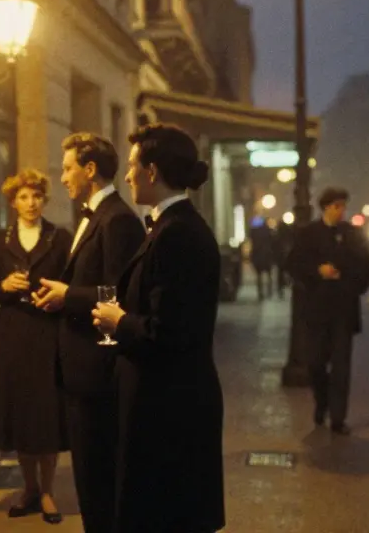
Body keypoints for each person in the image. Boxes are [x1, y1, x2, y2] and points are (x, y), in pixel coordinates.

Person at [86, 123, 224, 533]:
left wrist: (118, 320)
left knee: (162, 516)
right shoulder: (169, 226)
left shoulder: (176, 233)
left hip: (168, 407)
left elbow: (171, 331)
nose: (126, 175)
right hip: (164, 401)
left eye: (131, 166)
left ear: (151, 171)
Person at [35, 133, 144, 533]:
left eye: (67, 168)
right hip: (81, 370)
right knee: (89, 480)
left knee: (100, 482)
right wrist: (60, 298)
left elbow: (118, 293)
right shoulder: (94, 216)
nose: (63, 177)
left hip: (99, 372)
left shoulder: (117, 219)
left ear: (90, 170)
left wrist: (69, 295)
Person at [0, 168, 73, 525]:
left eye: (36, 196)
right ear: (12, 202)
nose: (31, 203)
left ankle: (48, 491)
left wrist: (57, 299)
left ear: (44, 200)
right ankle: (29, 487)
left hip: (47, 330)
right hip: (13, 333)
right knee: (21, 413)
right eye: (23, 196)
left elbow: (71, 283)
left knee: (46, 412)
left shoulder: (59, 237)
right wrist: (3, 285)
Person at [286, 187, 369, 434]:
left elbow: (366, 266)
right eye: (336, 206)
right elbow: (294, 264)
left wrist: (349, 281)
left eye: (343, 206)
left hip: (343, 309)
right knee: (315, 362)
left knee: (341, 365)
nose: (340, 211)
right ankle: (322, 400)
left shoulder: (352, 234)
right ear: (325, 207)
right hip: (317, 308)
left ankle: (338, 417)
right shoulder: (309, 234)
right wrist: (317, 271)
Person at [249, 218, 277, 300]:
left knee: (259, 276)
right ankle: (269, 291)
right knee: (268, 275)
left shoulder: (255, 233)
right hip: (267, 256)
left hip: (258, 257)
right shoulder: (269, 232)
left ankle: (261, 292)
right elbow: (273, 243)